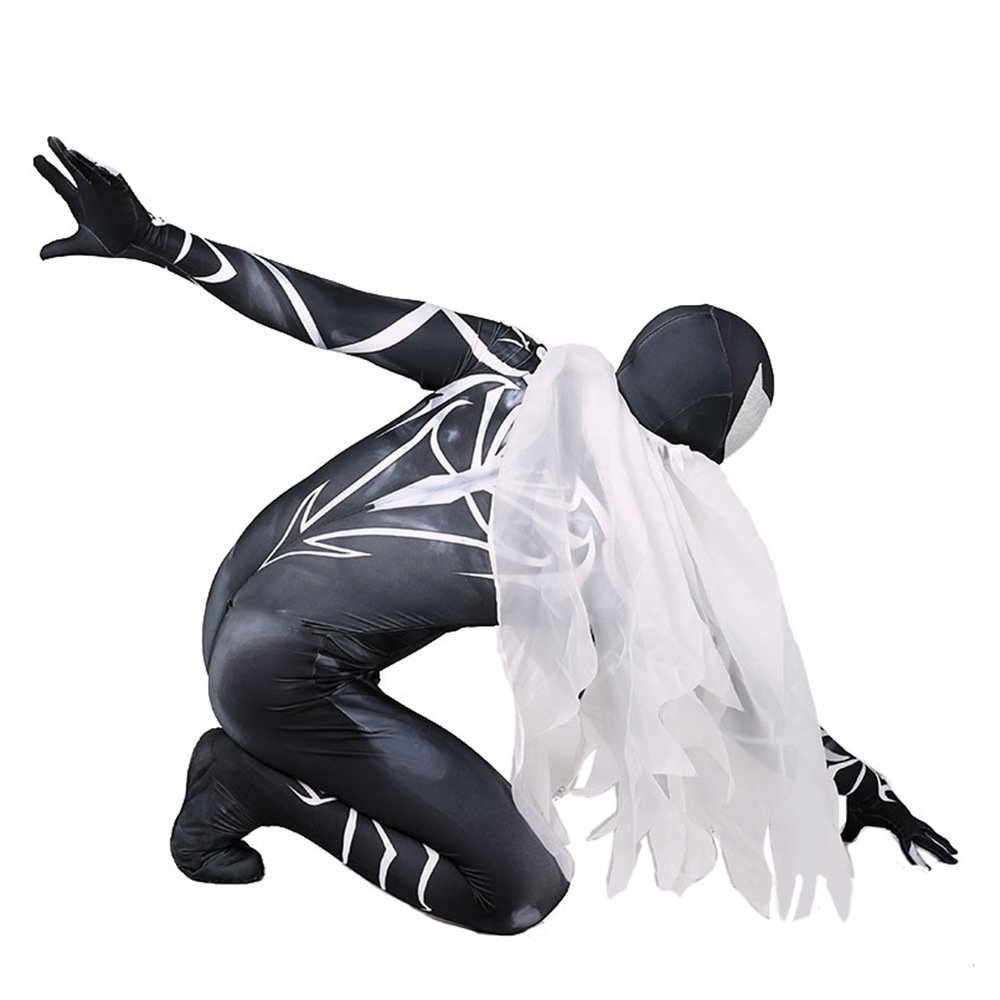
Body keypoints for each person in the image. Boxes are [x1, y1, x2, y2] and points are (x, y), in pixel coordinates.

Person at [33, 136, 957, 935]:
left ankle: (262, 752)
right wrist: (849, 782)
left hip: (227, 593)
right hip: (270, 681)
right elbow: (720, 690)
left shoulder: (507, 361)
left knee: (331, 670)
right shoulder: (609, 555)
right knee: (519, 890)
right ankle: (249, 785)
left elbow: (329, 316)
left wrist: (158, 241)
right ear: (701, 454)